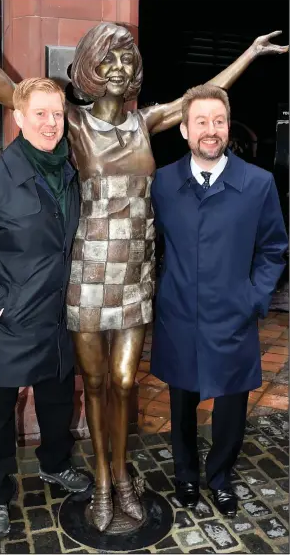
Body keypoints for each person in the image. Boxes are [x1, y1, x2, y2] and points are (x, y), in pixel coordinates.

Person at [0, 0, 287, 531]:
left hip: (134, 281)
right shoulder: (73, 123)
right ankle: (103, 483)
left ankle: (121, 475)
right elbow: (8, 92)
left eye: (127, 59)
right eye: (109, 59)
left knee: (125, 383)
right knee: (98, 383)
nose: (120, 68)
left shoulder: (143, 122)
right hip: (86, 281)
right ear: (90, 68)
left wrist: (248, 54)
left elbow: (198, 100)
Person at [150, 84, 288, 518]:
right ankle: (186, 475)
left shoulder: (257, 183)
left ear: (228, 127)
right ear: (185, 131)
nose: (211, 130)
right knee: (182, 403)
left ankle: (221, 477)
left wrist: (253, 298)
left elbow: (273, 248)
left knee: (230, 407)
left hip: (232, 316)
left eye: (219, 121)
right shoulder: (164, 182)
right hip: (179, 316)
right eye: (201, 122)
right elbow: (151, 242)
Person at [0, 77, 90, 539]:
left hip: (59, 317)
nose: (49, 123)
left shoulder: (69, 171)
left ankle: (55, 464)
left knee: (58, 400)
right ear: (18, 118)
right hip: (11, 321)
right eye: (39, 113)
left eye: (56, 114)